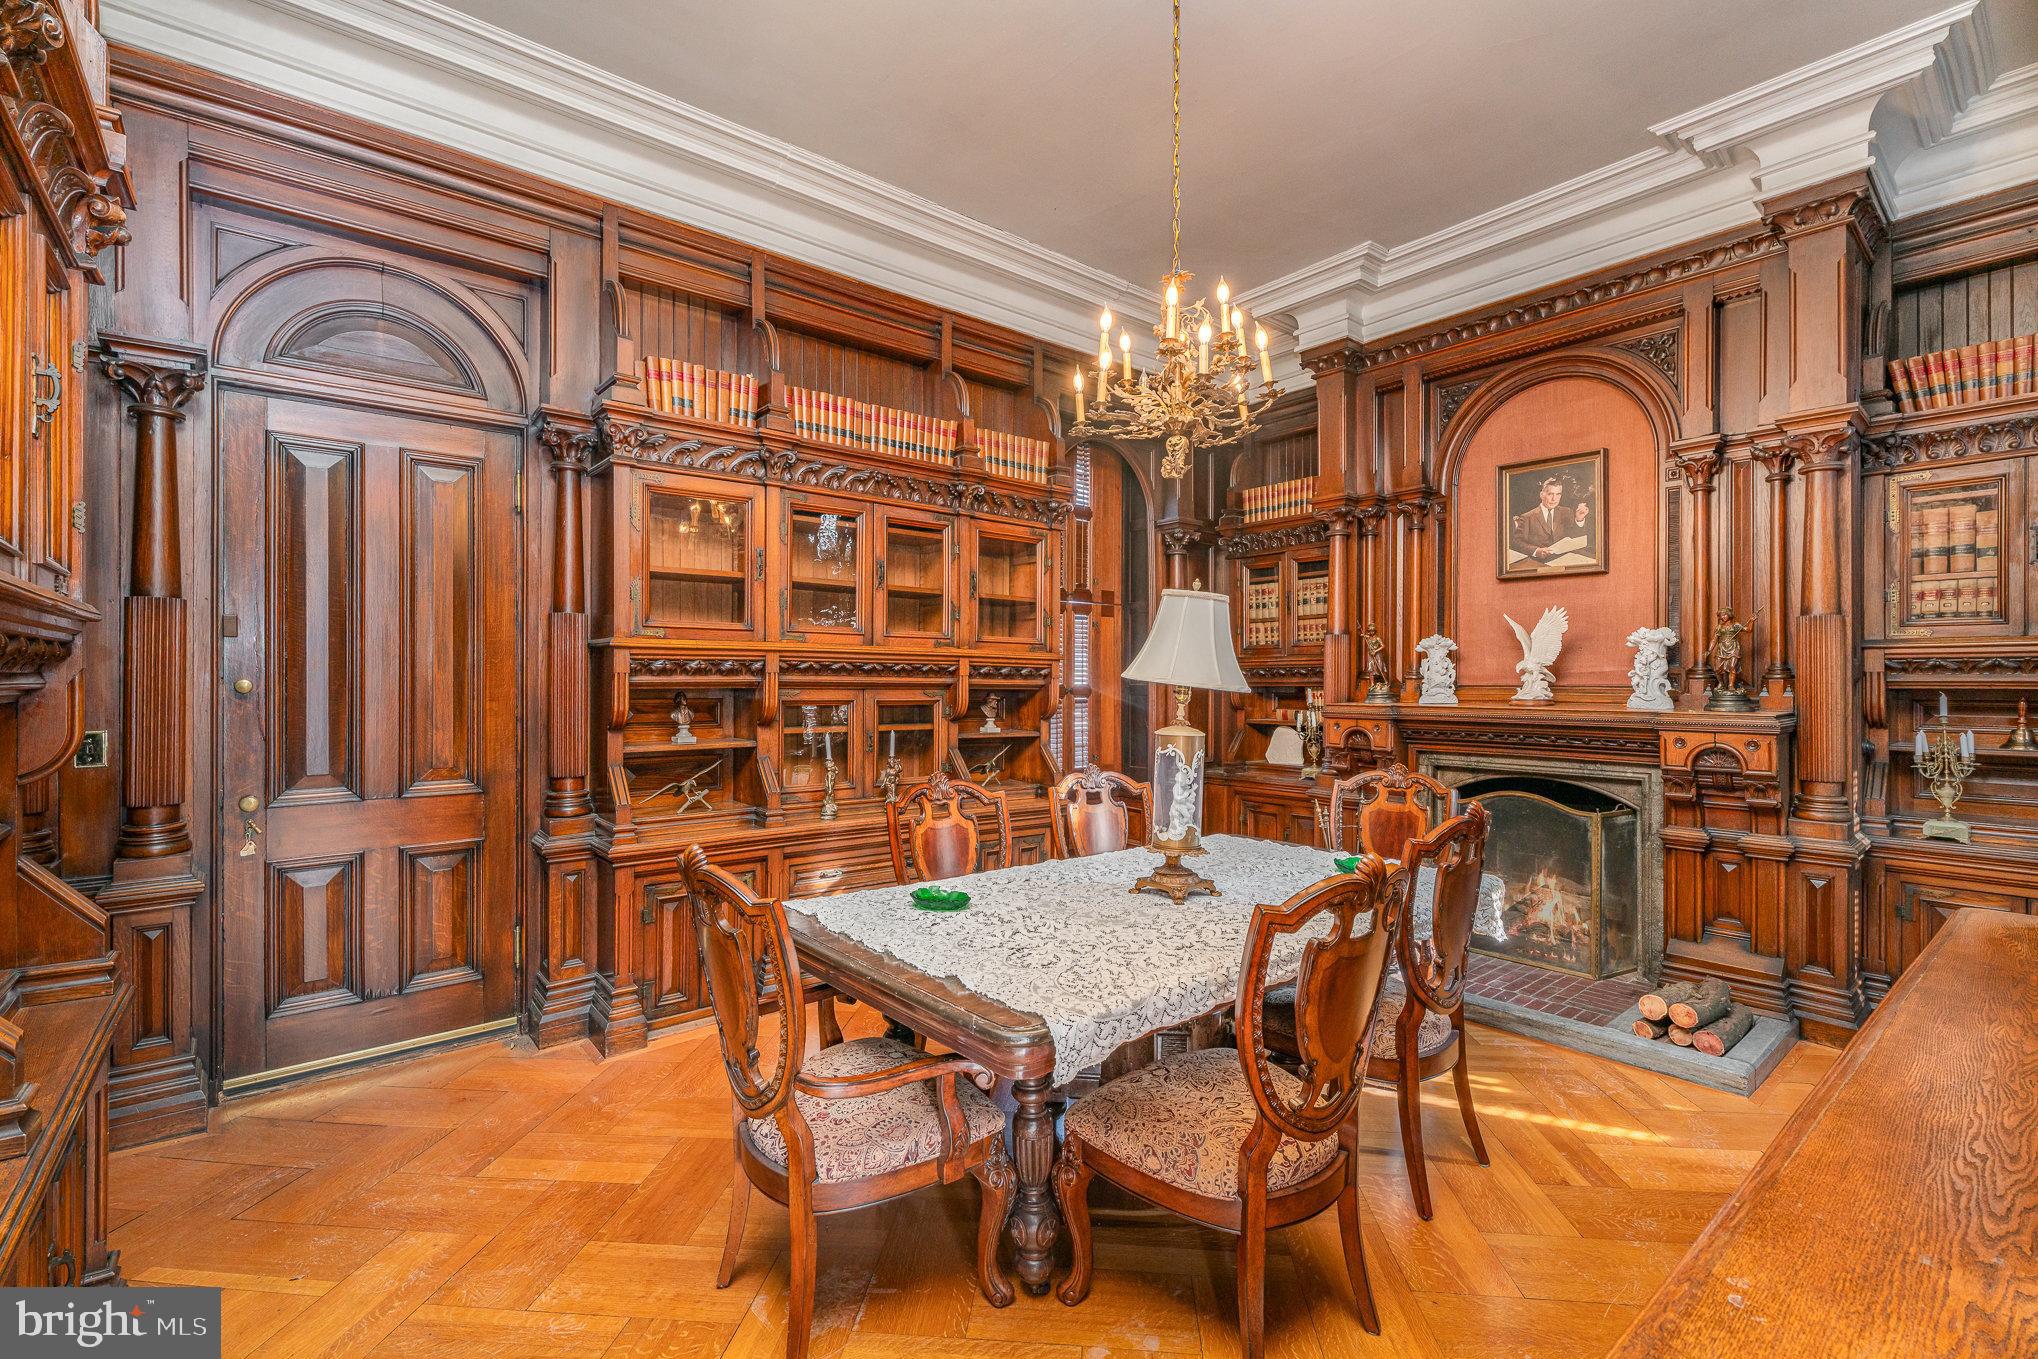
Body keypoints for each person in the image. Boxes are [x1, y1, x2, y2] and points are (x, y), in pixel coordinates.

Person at [1510, 474, 1592, 563]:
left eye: (1558, 494)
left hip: (1565, 559)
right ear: (1541, 495)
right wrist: (1536, 551)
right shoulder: (1527, 517)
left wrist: (1579, 519)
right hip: (1540, 562)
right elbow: (1516, 543)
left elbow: (1576, 537)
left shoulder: (1567, 512)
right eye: (1550, 494)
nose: (1554, 499)